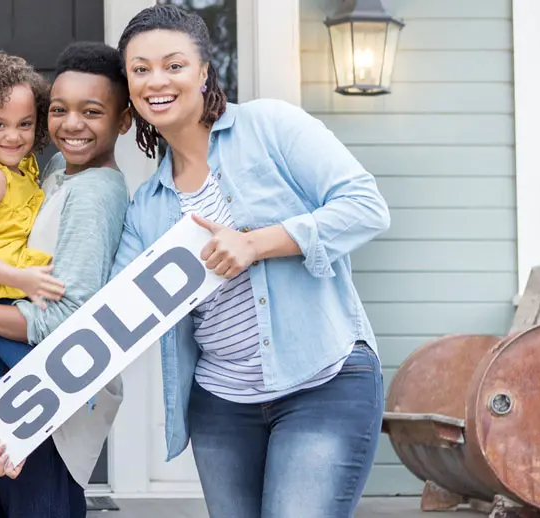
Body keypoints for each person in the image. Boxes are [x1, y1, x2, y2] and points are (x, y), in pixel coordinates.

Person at [110, 5, 392, 518]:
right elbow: (112, 315)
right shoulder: (146, 205)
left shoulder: (269, 126)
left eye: (174, 65)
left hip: (322, 382)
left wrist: (257, 242)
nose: (157, 81)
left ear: (203, 70)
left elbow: (366, 208)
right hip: (222, 406)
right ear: (128, 85)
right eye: (140, 69)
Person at [0, 41, 136, 518]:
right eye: (59, 110)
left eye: (92, 111)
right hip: (15, 370)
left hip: (54, 403)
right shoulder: (51, 171)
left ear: (123, 120)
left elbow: (64, 323)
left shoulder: (93, 192)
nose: (71, 124)